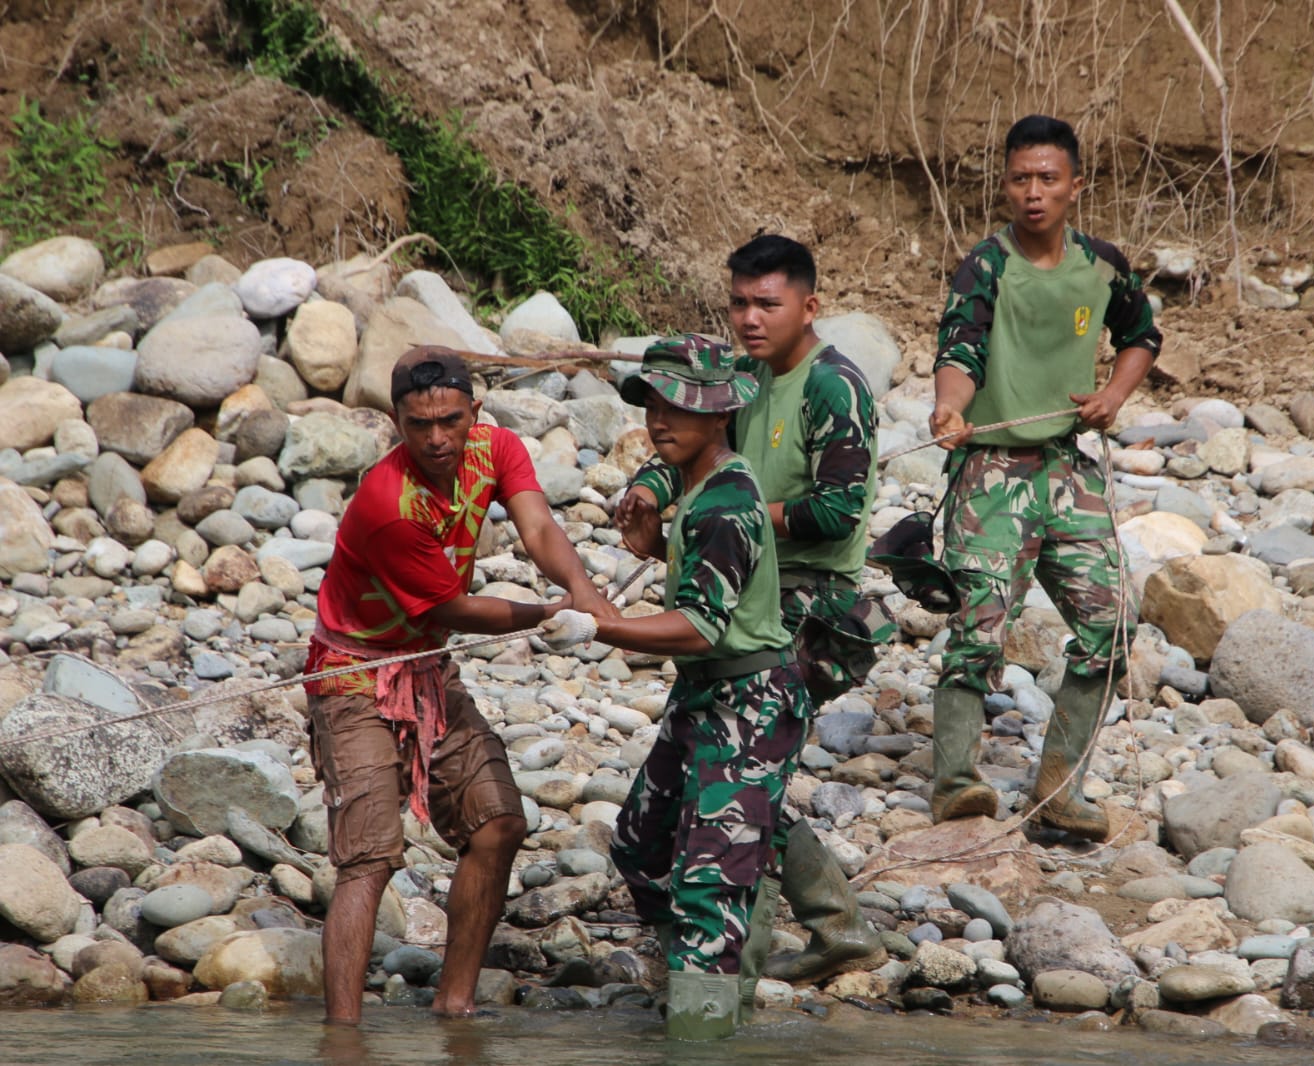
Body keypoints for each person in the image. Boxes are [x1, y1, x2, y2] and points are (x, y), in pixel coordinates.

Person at [305, 346, 616, 1024]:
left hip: (426, 668)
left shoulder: (495, 449)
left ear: (475, 412)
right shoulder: (388, 503)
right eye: (420, 426)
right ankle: (342, 1036)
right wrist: (543, 615)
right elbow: (452, 610)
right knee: (368, 861)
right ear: (397, 423)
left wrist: (583, 592)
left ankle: (455, 1005)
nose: (438, 439)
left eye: (450, 420)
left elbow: (536, 525)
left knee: (499, 822)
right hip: (353, 677)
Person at [616, 235, 886, 989]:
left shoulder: (835, 388)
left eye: (767, 303)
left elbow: (836, 511)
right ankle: (824, 932)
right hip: (740, 579)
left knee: (736, 772)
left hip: (809, 602)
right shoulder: (737, 376)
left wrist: (730, 514)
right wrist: (648, 493)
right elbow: (688, 434)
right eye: (738, 302)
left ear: (809, 306)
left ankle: (747, 952)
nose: (749, 318)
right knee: (730, 773)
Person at [540, 334, 812, 1040]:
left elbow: (699, 627)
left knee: (707, 890)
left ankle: (703, 1026)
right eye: (654, 404)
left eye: (680, 408)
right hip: (705, 701)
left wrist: (599, 627)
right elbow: (716, 582)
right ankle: (698, 982)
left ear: (720, 414)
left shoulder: (724, 502)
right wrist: (656, 547)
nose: (661, 420)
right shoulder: (702, 489)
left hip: (748, 704)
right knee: (637, 842)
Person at [927, 115, 1162, 839]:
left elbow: (1140, 336)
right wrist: (948, 407)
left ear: (1074, 187)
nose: (1033, 193)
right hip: (991, 469)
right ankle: (955, 786)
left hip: (1066, 466)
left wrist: (1113, 395)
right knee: (978, 624)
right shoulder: (986, 265)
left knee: (1109, 624)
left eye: (1047, 179)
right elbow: (959, 347)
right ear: (1004, 185)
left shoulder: (1102, 265)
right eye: (1020, 179)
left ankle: (1060, 785)